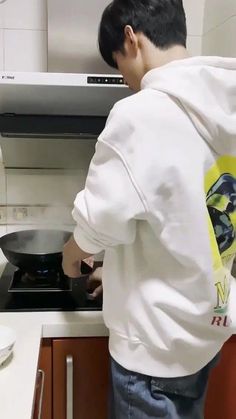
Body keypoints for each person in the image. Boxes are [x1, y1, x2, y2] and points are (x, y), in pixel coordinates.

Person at [62, 0, 236, 417]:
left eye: (118, 65)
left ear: (130, 37)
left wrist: (70, 261)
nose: (125, 81)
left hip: (151, 358)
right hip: (203, 335)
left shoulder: (141, 113)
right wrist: (121, 276)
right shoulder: (223, 106)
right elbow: (188, 224)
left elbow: (94, 227)